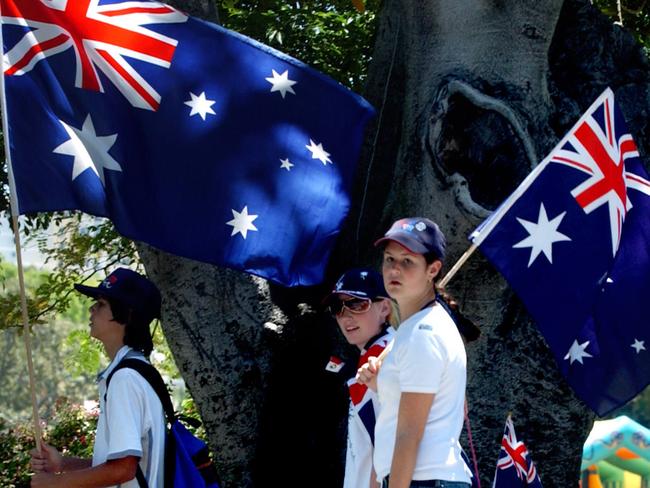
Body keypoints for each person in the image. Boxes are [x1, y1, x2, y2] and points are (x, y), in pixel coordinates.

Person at [357, 217, 473, 488]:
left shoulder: (424, 332)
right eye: (389, 259)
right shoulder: (417, 328)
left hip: (425, 480)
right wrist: (380, 382)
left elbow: (409, 434)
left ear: (432, 269)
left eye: (407, 261)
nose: (394, 269)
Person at [30, 268, 165, 488]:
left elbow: (123, 469)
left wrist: (55, 483)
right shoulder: (135, 369)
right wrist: (63, 463)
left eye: (101, 304)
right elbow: (121, 464)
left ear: (126, 315)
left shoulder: (125, 379)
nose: (92, 309)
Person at [324, 268, 396, 488]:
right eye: (337, 307)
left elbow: (385, 446)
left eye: (357, 304)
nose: (346, 316)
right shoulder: (379, 351)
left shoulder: (381, 358)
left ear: (384, 307)